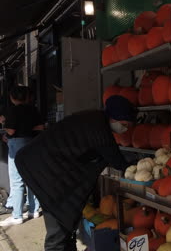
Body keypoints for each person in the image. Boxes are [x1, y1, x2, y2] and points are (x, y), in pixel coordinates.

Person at [14, 95, 135, 251]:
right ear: (115, 117)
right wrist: (134, 166)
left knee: (66, 223)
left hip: (42, 165)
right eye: (125, 124)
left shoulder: (94, 119)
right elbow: (118, 162)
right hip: (43, 170)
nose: (125, 129)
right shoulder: (98, 127)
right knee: (59, 222)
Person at [0, 86, 43, 226]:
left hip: (17, 144)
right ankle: (34, 210)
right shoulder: (33, 109)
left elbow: (11, 131)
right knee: (31, 177)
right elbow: (41, 127)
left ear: (12, 98)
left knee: (17, 179)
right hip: (32, 143)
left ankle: (17, 216)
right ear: (26, 97)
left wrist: (4, 124)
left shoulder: (12, 111)